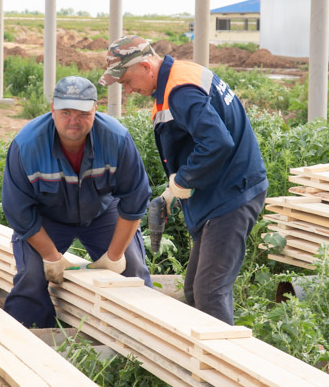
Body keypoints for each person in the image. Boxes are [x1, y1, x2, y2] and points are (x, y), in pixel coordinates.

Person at [99, 35, 268, 325]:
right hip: (219, 191)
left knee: (209, 291)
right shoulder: (176, 79)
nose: (126, 90)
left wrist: (184, 180)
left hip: (231, 196)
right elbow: (198, 140)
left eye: (126, 80)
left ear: (145, 67)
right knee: (194, 289)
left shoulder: (179, 90)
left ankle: (221, 364)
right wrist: (171, 192)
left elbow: (217, 143)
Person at [1, 75, 153, 328]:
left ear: (95, 108)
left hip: (101, 214)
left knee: (133, 269)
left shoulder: (116, 138)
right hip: (46, 219)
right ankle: (33, 337)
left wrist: (114, 256)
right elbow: (19, 211)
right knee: (31, 277)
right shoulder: (26, 144)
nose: (73, 120)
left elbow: (135, 199)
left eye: (82, 113)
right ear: (52, 109)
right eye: (66, 112)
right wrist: (50, 256)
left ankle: (142, 339)